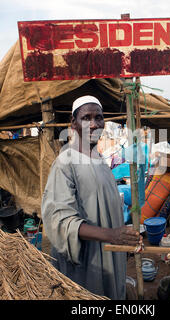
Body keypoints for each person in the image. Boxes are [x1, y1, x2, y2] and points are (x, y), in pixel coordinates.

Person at [41, 95, 142, 300]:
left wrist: (122, 238)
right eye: (86, 118)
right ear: (73, 123)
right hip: (88, 263)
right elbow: (59, 221)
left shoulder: (99, 160)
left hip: (110, 254)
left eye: (99, 117)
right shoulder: (65, 163)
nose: (94, 124)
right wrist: (111, 235)